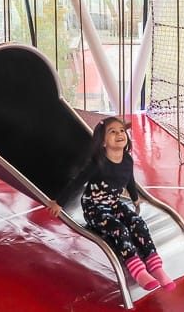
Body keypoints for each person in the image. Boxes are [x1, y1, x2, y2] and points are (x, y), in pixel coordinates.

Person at [47, 116, 175, 291]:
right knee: (120, 230)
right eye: (112, 132)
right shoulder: (97, 164)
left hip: (113, 203)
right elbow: (77, 181)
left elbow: (129, 179)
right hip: (94, 208)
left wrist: (135, 197)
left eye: (121, 130)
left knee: (138, 223)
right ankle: (137, 269)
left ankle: (155, 266)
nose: (119, 134)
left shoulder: (127, 160)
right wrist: (59, 203)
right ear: (103, 142)